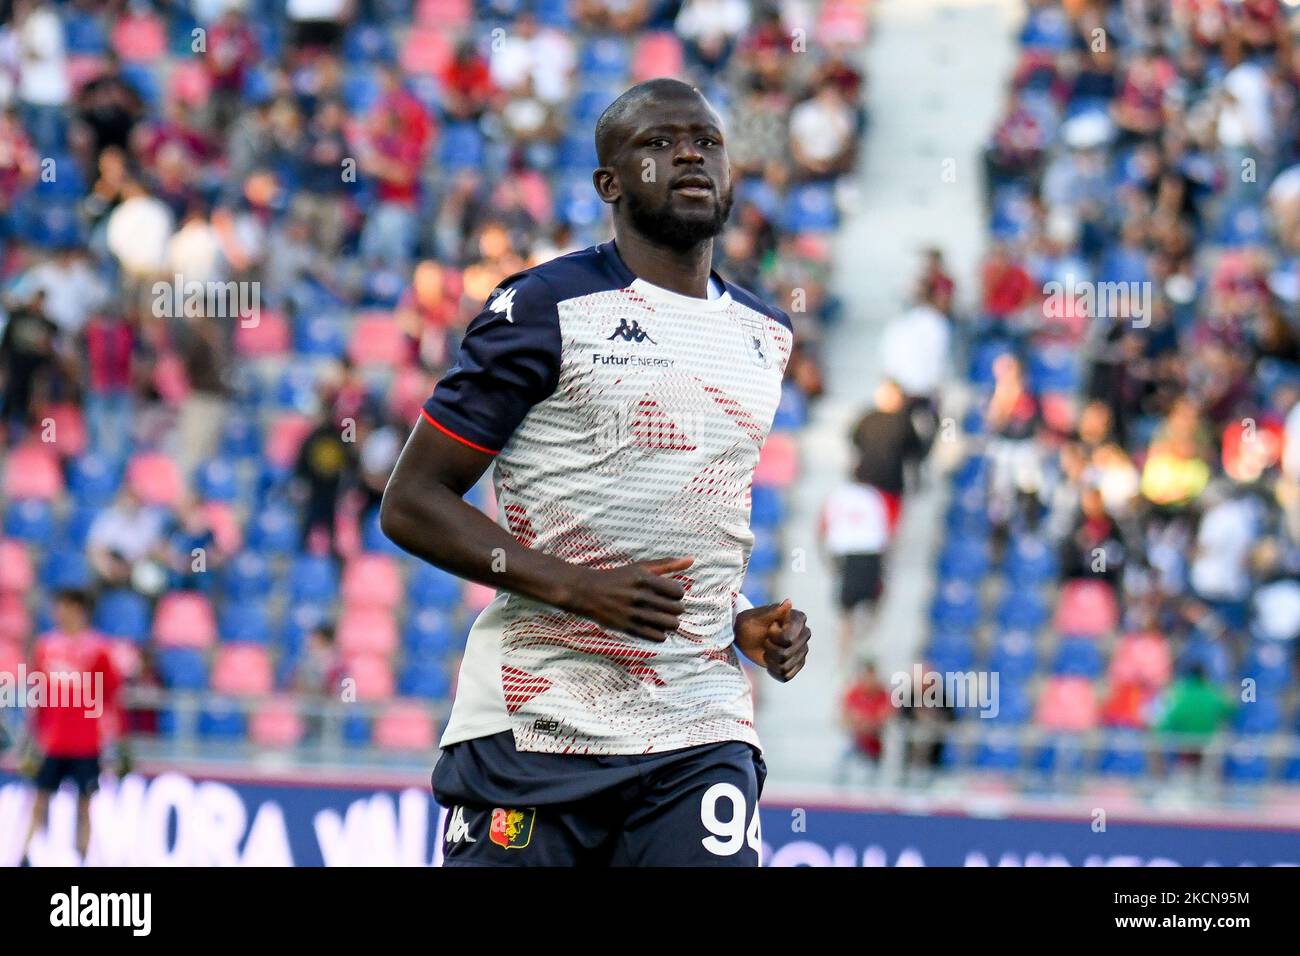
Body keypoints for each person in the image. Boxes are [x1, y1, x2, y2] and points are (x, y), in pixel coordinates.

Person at [381, 78, 812, 868]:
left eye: (706, 141)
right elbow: (411, 503)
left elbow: (682, 509)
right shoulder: (544, 307)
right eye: (659, 141)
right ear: (609, 184)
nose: (689, 153)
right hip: (537, 722)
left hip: (698, 724)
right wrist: (579, 587)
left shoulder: (766, 335)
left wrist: (737, 615)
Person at [21, 589, 120, 865]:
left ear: (78, 609)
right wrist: (32, 737)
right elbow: (38, 695)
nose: (58, 613)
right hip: (52, 741)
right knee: (39, 800)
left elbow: (110, 694)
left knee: (85, 805)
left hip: (86, 743)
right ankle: (24, 855)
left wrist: (110, 737)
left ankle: (83, 857)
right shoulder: (46, 647)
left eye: (63, 606)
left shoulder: (99, 649)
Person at [819, 474, 893, 666]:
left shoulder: (838, 495)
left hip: (848, 556)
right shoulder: (874, 496)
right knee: (872, 605)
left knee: (846, 612)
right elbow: (884, 529)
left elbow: (825, 526)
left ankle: (844, 658)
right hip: (870, 555)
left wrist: (828, 557)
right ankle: (866, 649)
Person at [836, 659, 892, 784]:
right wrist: (862, 723)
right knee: (842, 766)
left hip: (875, 746)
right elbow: (843, 718)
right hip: (856, 742)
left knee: (872, 776)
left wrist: (864, 722)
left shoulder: (884, 695)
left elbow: (883, 720)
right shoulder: (853, 692)